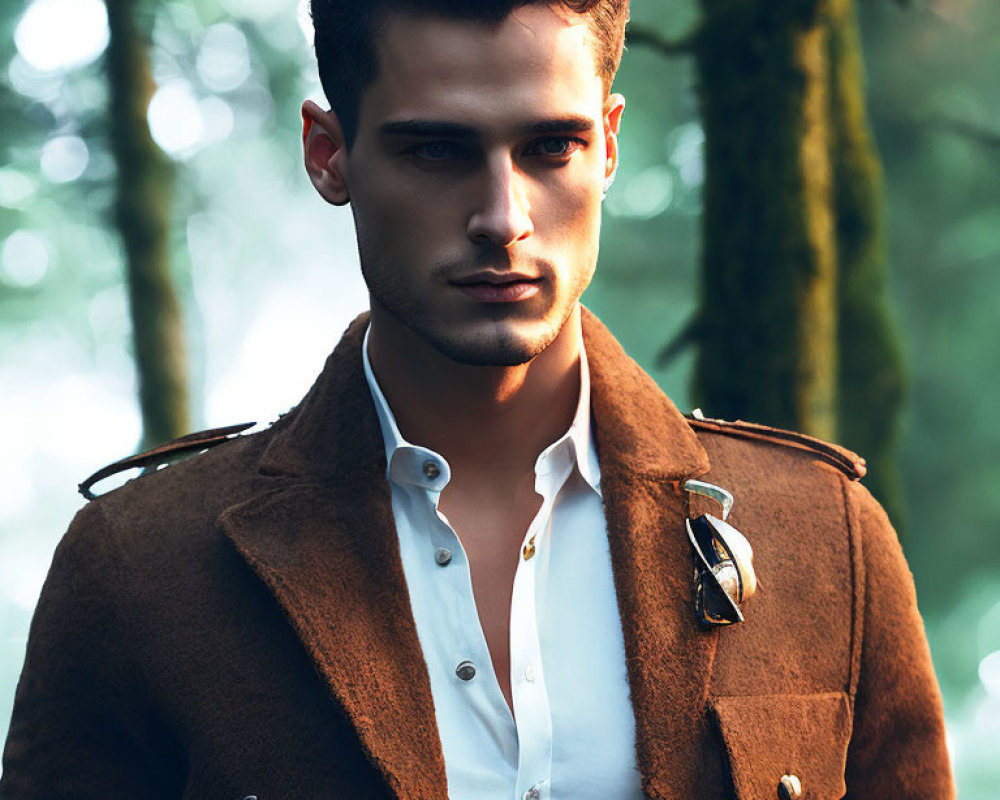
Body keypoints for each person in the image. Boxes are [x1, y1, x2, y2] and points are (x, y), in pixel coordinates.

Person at [1, 1, 955, 798]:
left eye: (550, 147)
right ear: (329, 154)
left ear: (610, 146)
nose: (504, 218)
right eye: (436, 152)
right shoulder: (142, 570)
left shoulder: (823, 539)